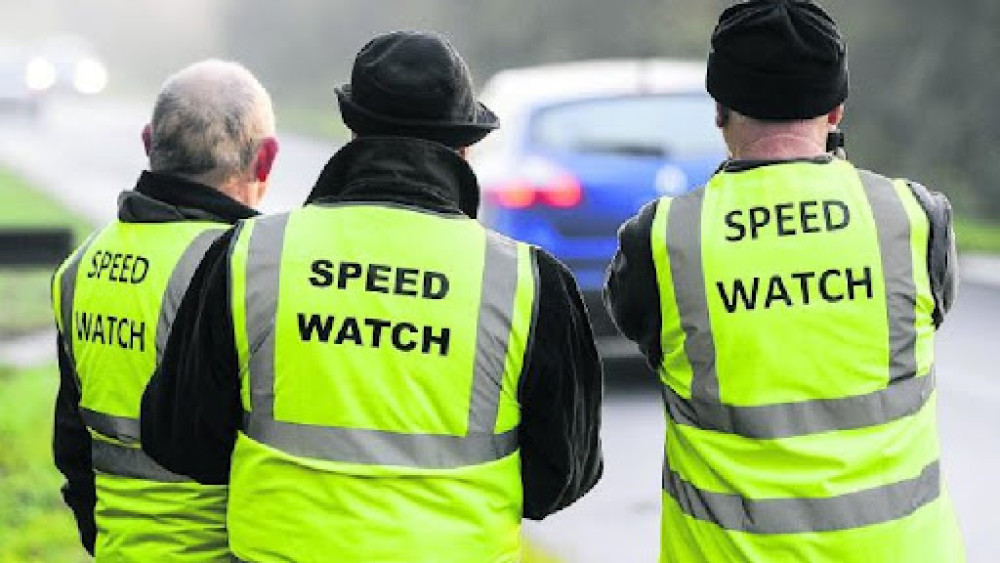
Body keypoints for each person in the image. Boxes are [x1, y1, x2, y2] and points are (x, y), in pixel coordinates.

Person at [141, 30, 603, 562]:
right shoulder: (528, 280)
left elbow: (182, 440)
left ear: (353, 128)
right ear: (465, 146)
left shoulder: (250, 254)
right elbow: (564, 476)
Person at [604, 1, 964, 561]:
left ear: (719, 109)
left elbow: (647, 339)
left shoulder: (663, 240)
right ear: (836, 109)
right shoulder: (914, 218)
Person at [51, 59, 278, 560]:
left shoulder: (78, 267)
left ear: (149, 141)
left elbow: (72, 446)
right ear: (265, 160)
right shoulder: (248, 272)